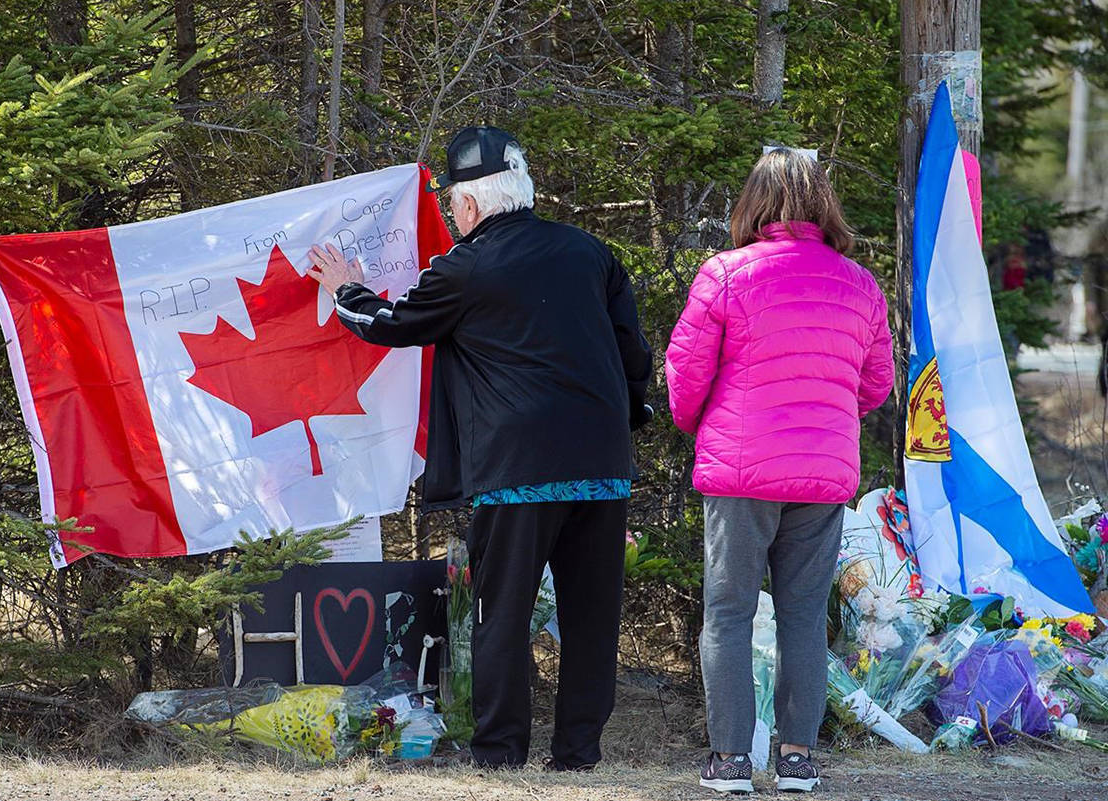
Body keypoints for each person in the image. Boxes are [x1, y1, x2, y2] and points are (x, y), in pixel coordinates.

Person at [306, 126, 653, 770]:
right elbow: (635, 358)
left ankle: (500, 753)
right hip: (602, 466)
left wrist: (346, 288)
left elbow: (391, 325)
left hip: (518, 468)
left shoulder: (469, 266)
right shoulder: (591, 253)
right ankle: (577, 754)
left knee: (504, 613)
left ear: (467, 206)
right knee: (591, 618)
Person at [665, 148, 893, 794]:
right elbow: (874, 384)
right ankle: (796, 758)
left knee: (730, 614)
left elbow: (686, 374)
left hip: (740, 471)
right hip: (820, 475)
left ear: (754, 202)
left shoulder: (725, 274)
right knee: (802, 616)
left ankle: (732, 760)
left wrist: (701, 423)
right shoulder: (858, 283)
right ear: (824, 203)